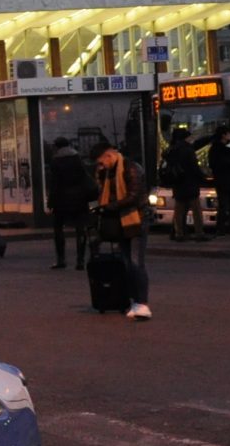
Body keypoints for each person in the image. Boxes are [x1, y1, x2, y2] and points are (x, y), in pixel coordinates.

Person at [94, 140, 152, 321]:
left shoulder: (131, 168)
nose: (100, 165)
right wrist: (101, 175)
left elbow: (133, 196)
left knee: (136, 262)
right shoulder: (108, 173)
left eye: (101, 162)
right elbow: (102, 192)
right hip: (120, 222)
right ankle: (134, 301)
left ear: (109, 155)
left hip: (136, 220)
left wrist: (111, 206)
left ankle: (142, 303)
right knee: (125, 262)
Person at [45, 137, 94, 270]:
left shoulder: (56, 161)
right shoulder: (78, 159)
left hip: (61, 200)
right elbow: (85, 177)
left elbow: (54, 184)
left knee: (58, 229)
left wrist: (50, 202)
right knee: (81, 229)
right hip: (80, 199)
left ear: (57, 147)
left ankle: (61, 260)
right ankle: (80, 261)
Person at [160, 123, 207, 241]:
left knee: (179, 211)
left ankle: (179, 233)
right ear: (185, 138)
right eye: (188, 137)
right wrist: (203, 177)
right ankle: (199, 233)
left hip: (177, 184)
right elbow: (194, 167)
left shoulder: (170, 150)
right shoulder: (188, 149)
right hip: (190, 183)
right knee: (196, 209)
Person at [206, 123, 230, 237]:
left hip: (224, 180)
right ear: (223, 135)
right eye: (228, 133)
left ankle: (224, 228)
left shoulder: (221, 148)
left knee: (226, 205)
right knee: (228, 205)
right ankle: (229, 228)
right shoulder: (220, 149)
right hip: (227, 180)